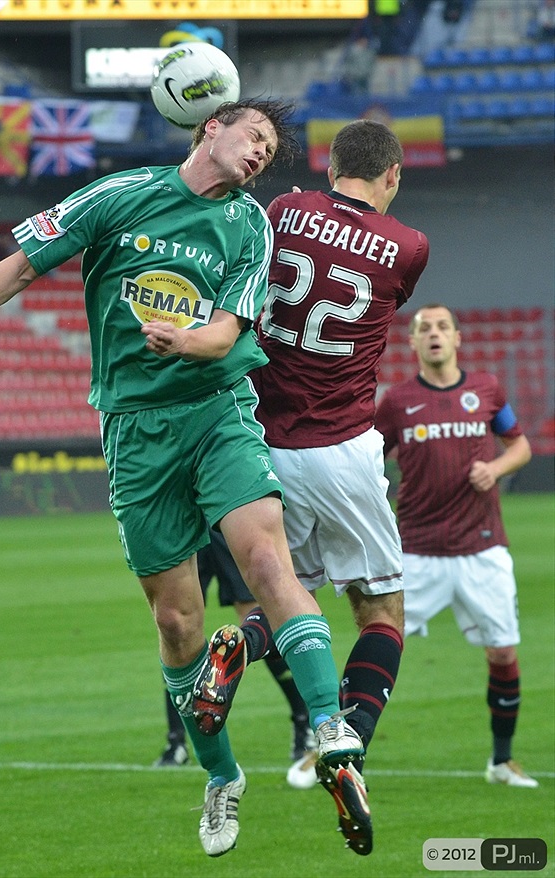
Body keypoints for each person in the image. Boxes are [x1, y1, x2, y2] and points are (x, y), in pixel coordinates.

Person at [0, 99, 366, 859]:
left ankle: (333, 726)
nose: (260, 155)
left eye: (271, 151)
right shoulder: (117, 196)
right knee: (176, 625)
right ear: (212, 126)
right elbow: (21, 265)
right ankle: (221, 777)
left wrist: (187, 341)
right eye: (256, 138)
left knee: (266, 557)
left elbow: (230, 333)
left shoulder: (250, 225)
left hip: (216, 409)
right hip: (135, 433)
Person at [194, 119, 429, 855]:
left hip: (262, 443)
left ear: (329, 167)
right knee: (381, 611)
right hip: (345, 449)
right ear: (390, 175)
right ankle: (346, 742)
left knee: (290, 596)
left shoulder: (283, 211)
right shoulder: (410, 246)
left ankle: (237, 641)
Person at [375, 303, 537, 788]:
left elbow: (521, 445)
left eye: (443, 327)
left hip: (483, 549)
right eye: (424, 328)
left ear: (458, 338)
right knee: (380, 642)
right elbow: (368, 460)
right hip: (417, 551)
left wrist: (496, 469)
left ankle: (502, 762)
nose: (434, 334)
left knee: (503, 653)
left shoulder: (486, 390)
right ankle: (341, 751)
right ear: (414, 343)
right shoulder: (398, 402)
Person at [154, 527, 315, 781]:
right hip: (183, 520)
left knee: (253, 618)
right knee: (175, 629)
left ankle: (303, 722)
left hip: (222, 520)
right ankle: (176, 742)